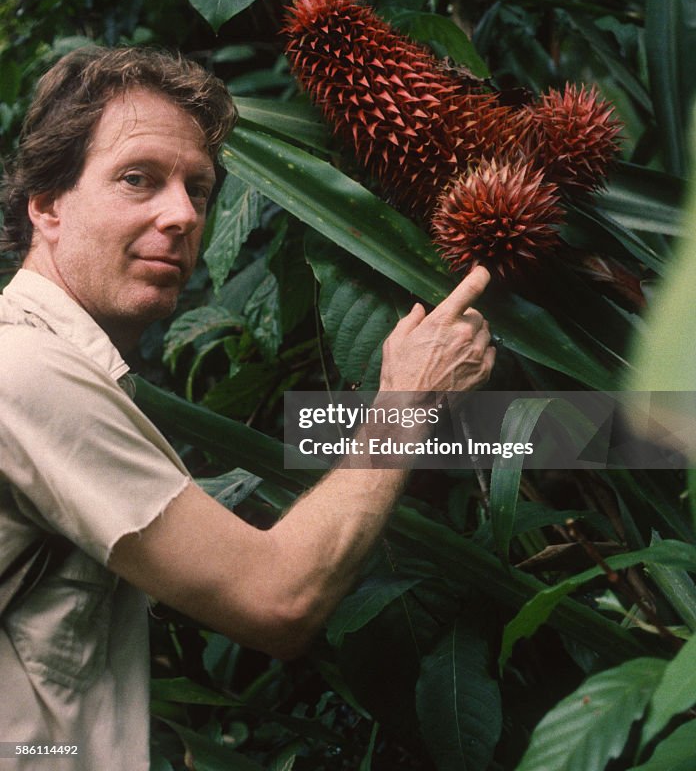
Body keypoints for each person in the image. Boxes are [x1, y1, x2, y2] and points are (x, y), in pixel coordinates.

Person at [0, 45, 495, 770]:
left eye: (198, 189)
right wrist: (408, 400)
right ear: (46, 205)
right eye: (139, 180)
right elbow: (276, 598)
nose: (181, 215)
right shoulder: (28, 373)